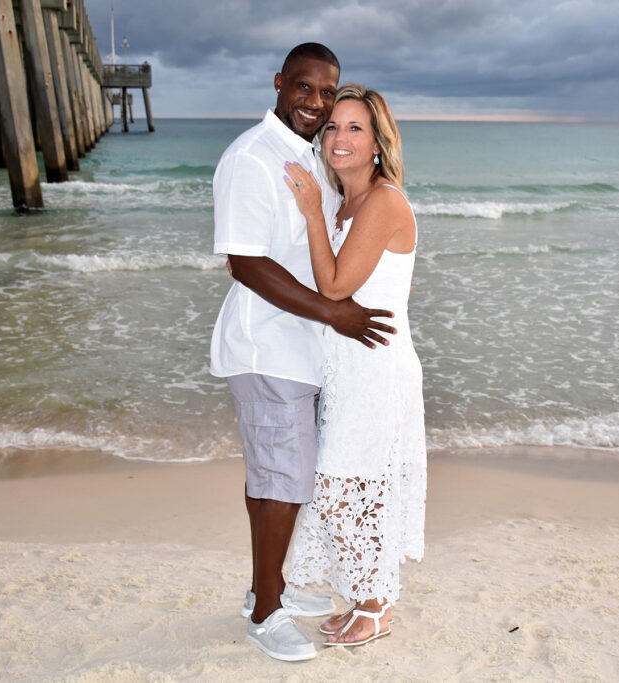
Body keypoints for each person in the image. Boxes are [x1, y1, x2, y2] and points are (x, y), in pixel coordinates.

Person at [210, 45, 396, 662]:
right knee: (283, 481)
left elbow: (324, 242)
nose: (317, 104)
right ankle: (266, 614)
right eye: (305, 89)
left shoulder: (304, 155)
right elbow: (246, 262)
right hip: (268, 347)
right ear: (280, 84)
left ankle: (268, 588)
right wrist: (334, 313)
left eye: (327, 92)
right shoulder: (253, 158)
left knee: (275, 477)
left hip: (298, 349)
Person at [283, 83, 427, 647]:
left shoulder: (383, 200)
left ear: (376, 143)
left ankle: (375, 606)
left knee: (351, 483)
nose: (339, 138)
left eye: (355, 128)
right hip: (348, 366)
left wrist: (313, 213)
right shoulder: (348, 199)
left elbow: (336, 284)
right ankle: (367, 598)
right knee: (347, 482)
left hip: (375, 367)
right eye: (332, 127)